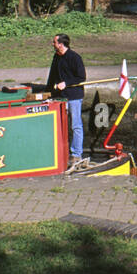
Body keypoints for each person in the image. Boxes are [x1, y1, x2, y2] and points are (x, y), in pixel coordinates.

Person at [46, 33, 87, 171]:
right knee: (60, 125)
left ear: (61, 44)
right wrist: (47, 92)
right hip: (60, 96)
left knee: (75, 125)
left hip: (74, 96)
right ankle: (61, 152)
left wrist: (67, 83)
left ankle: (76, 154)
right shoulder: (57, 57)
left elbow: (81, 77)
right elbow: (52, 75)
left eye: (54, 42)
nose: (52, 44)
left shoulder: (75, 58)